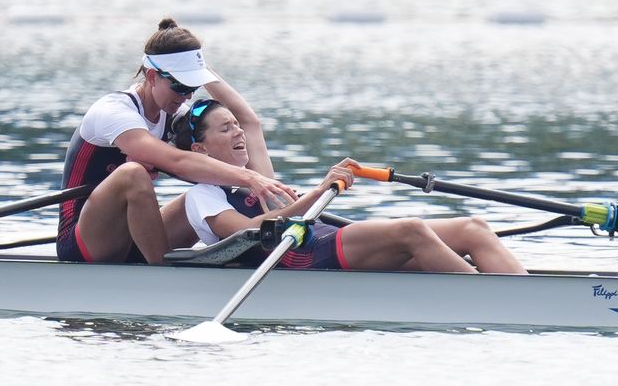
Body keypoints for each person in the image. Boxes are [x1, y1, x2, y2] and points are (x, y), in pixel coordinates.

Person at [171, 99, 528, 274]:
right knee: (412, 230)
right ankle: (498, 300)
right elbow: (250, 229)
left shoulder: (257, 173)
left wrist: (196, 67)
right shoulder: (204, 195)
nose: (238, 132)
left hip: (329, 241)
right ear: (200, 149)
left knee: (474, 228)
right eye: (225, 129)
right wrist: (319, 190)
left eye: (235, 126)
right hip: (305, 259)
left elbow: (251, 118)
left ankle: (526, 296)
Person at [57, 18, 298, 265]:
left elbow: (247, 124)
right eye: (181, 86)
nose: (188, 96)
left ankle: (260, 251)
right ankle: (163, 275)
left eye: (193, 86)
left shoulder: (175, 116)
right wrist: (251, 179)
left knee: (206, 190)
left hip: (136, 238)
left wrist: (199, 67)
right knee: (133, 174)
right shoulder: (113, 112)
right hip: (84, 241)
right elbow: (178, 161)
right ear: (152, 76)